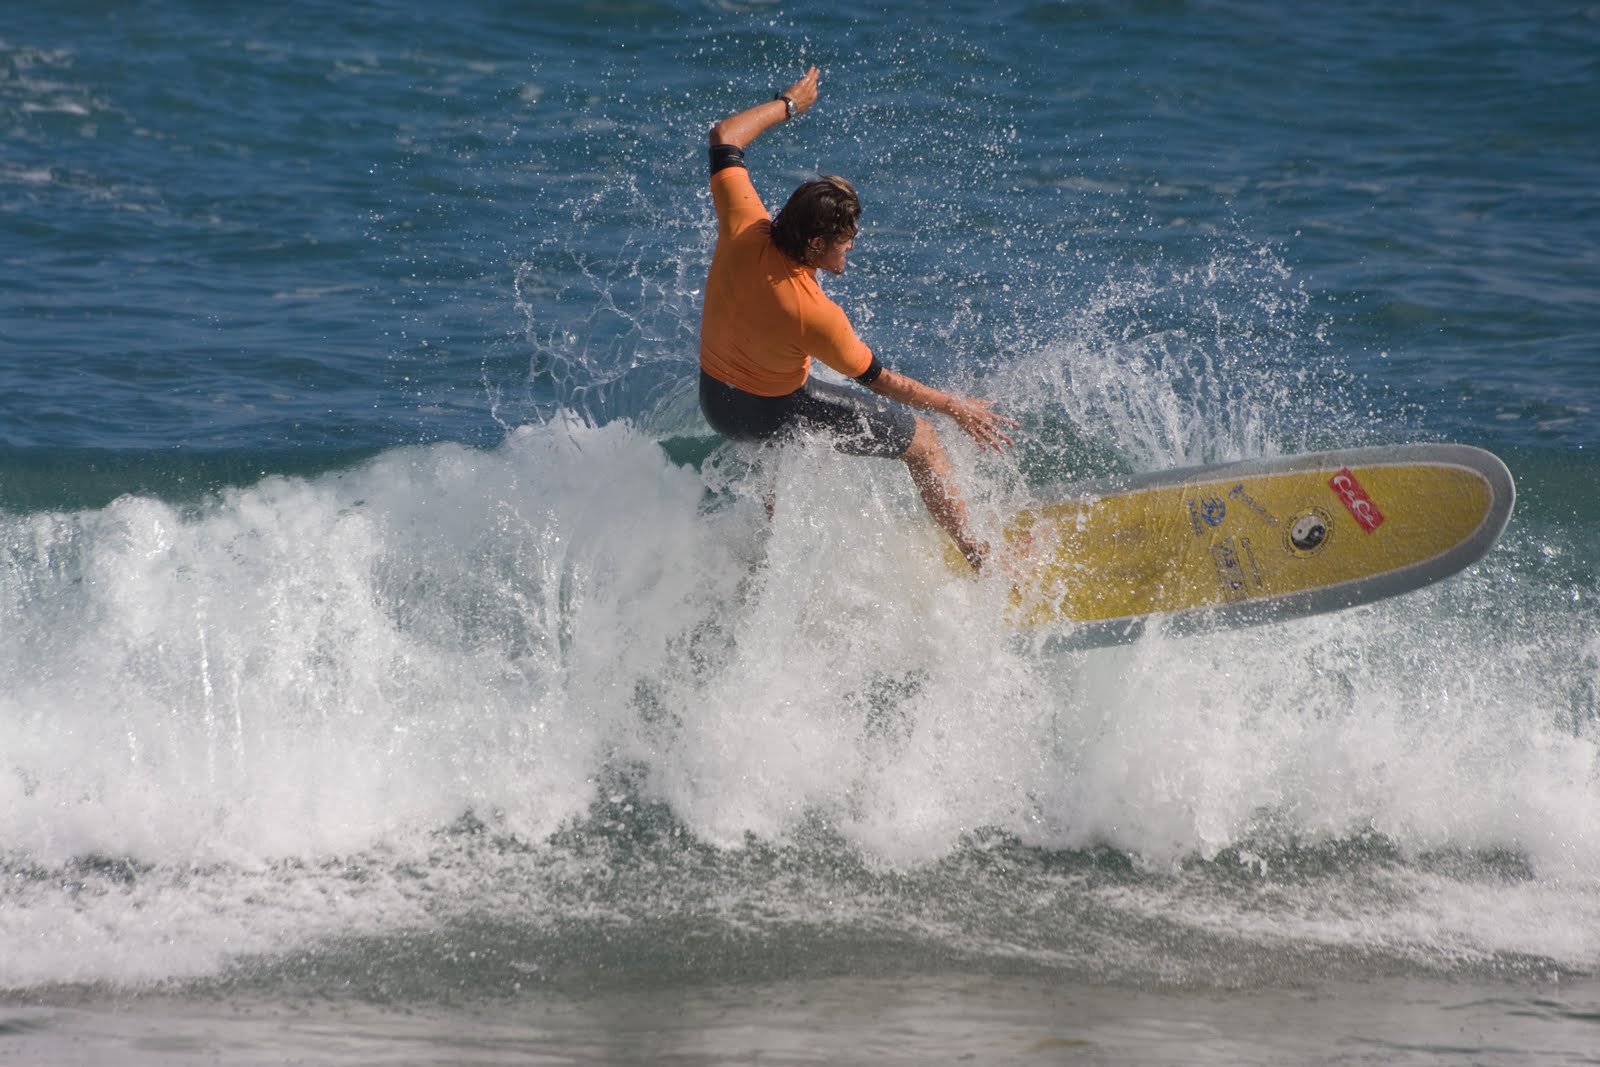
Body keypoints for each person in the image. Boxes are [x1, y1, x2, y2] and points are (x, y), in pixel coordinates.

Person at [698, 66, 1016, 570]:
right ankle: (982, 559)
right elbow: (881, 382)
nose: (853, 246)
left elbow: (724, 137)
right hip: (768, 410)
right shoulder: (813, 313)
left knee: (779, 451)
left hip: (716, 400)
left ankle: (761, 565)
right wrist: (953, 406)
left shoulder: (744, 224)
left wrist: (790, 103)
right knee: (923, 442)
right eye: (846, 239)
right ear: (816, 243)